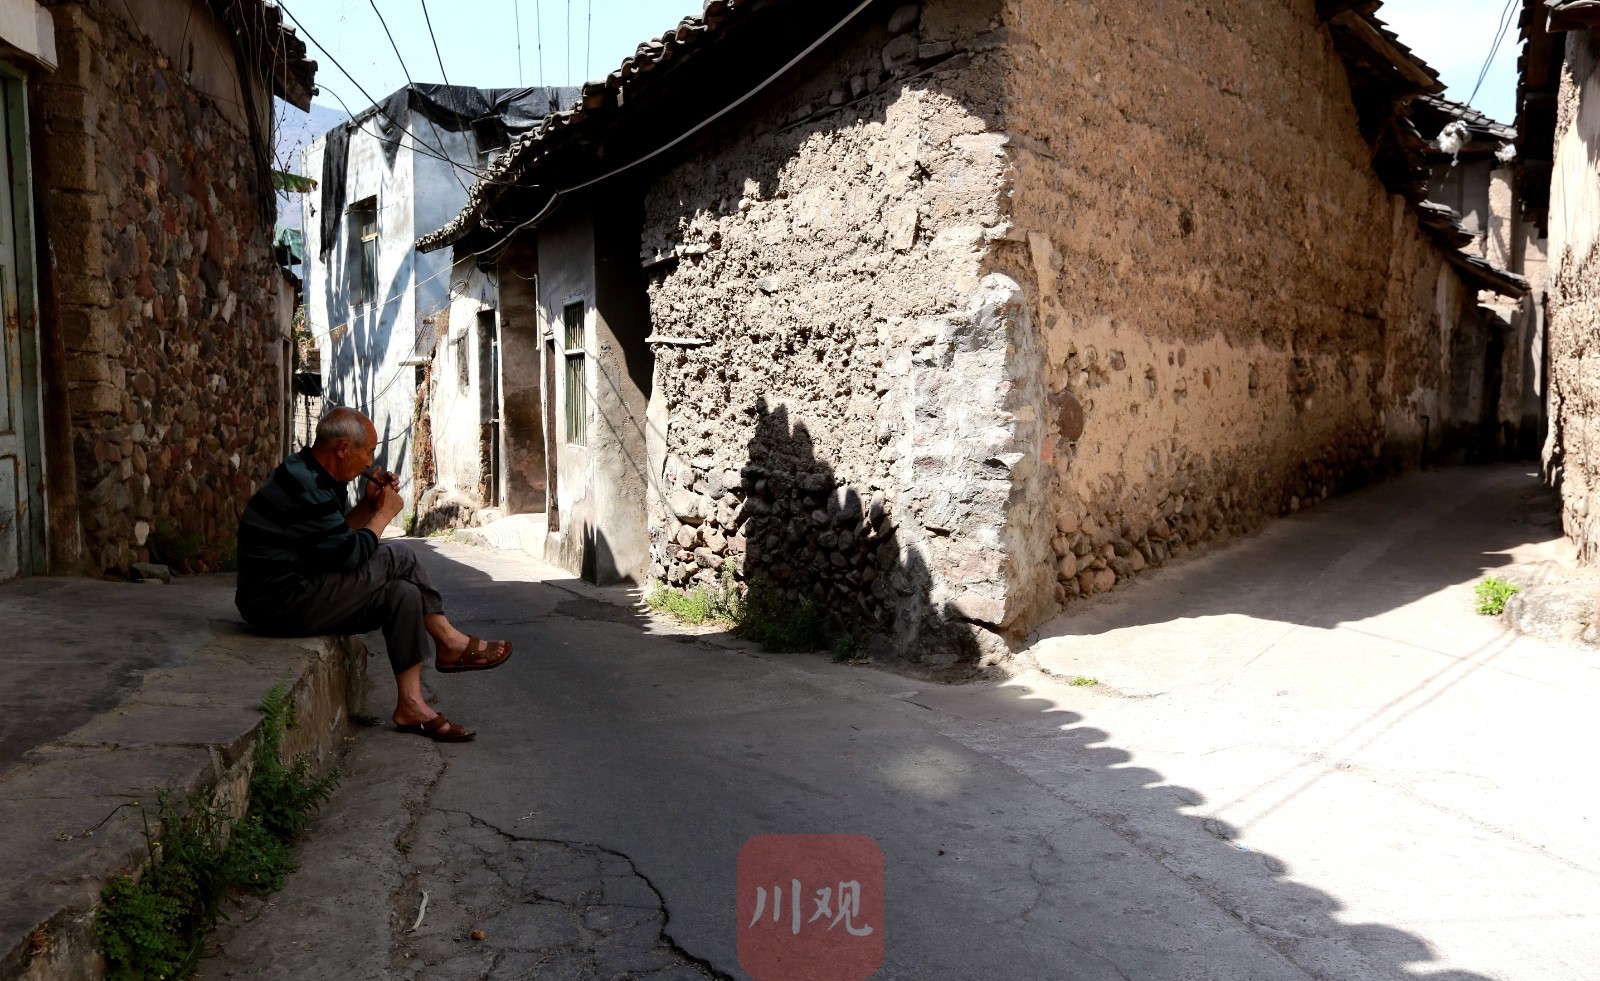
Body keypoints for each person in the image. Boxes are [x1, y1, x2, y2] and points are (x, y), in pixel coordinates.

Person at [235, 407, 512, 742]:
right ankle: (450, 642)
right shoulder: (304, 484)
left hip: (300, 588)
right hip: (277, 603)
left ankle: (411, 704)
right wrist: (382, 516)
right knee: (400, 555)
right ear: (343, 449)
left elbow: (333, 545)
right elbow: (350, 556)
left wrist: (368, 507)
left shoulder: (314, 473)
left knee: (403, 594)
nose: (369, 463)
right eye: (367, 452)